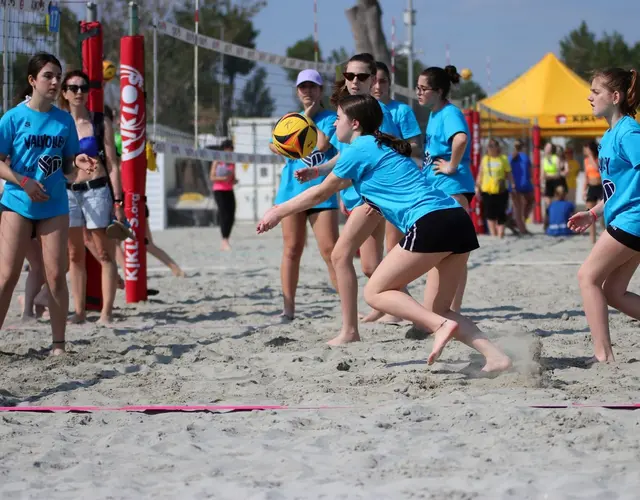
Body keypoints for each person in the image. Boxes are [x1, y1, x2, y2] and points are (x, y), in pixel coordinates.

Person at [258, 94, 512, 373]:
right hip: (457, 220)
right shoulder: (380, 146)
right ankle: (496, 356)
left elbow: (320, 192)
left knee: (375, 292)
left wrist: (277, 211)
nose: (334, 125)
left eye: (339, 119)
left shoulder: (360, 148)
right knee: (439, 309)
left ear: (355, 124)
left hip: (431, 221)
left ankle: (439, 327)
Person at [294, 53, 403, 333]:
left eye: (361, 76)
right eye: (349, 75)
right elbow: (342, 157)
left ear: (373, 80)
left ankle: (360, 325)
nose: (354, 81)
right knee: (369, 265)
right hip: (358, 196)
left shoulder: (378, 113)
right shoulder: (347, 110)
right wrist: (318, 170)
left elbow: (381, 157)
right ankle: (395, 309)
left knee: (347, 257)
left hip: (376, 198)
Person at [0, 52, 97, 355]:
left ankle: (58, 345)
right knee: (7, 275)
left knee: (56, 275)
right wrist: (23, 182)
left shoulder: (64, 121)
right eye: (48, 76)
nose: (55, 82)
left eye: (58, 76)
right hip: (18, 201)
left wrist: (77, 161)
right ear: (32, 81)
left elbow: (67, 166)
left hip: (54, 204)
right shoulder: (13, 118)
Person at [568, 67, 640, 364]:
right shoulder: (610, 135)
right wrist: (594, 212)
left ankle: (603, 355)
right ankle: (604, 354)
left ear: (615, 96)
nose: (589, 97)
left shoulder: (629, 131)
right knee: (613, 291)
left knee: (587, 277)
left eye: (595, 92)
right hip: (623, 218)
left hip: (633, 220)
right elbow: (620, 189)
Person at [268, 69, 340, 321]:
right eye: (303, 87)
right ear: (297, 91)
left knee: (331, 250)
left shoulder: (332, 118)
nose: (307, 91)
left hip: (321, 192)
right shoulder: (291, 119)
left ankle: (346, 306)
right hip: (290, 192)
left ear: (321, 91)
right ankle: (288, 309)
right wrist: (302, 117)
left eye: (313, 87)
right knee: (292, 249)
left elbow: (321, 145)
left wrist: (307, 118)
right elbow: (275, 145)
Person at [59, 69, 125, 325]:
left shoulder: (100, 122)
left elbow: (113, 164)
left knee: (105, 252)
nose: (79, 92)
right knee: (75, 255)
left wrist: (118, 202)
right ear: (64, 93)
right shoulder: (59, 123)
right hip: (68, 193)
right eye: (73, 88)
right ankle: (79, 312)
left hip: (97, 191)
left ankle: (106, 312)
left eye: (83, 88)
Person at [417, 66, 475, 312]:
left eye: (423, 88)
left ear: (439, 91)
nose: (418, 93)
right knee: (447, 253)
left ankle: (450, 310)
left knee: (452, 254)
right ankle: (445, 310)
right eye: (417, 88)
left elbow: (460, 138)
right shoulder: (435, 113)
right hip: (439, 187)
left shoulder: (450, 113)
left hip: (452, 187)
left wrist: (452, 165)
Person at [371, 61, 424, 291]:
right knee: (369, 263)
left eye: (382, 81)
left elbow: (417, 146)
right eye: (373, 80)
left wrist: (393, 147)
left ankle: (394, 306)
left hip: (397, 186)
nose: (377, 85)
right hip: (370, 188)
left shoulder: (401, 111)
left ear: (390, 84)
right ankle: (387, 303)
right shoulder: (360, 112)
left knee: (393, 249)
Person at [476, 138, 515, 238]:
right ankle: (493, 234)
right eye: (489, 146)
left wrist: (512, 184)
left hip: (501, 190)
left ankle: (500, 234)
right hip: (487, 190)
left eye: (493, 145)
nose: (491, 148)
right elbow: (480, 174)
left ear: (498, 147)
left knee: (501, 212)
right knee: (490, 213)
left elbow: (508, 173)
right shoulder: (485, 159)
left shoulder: (503, 159)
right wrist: (477, 186)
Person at [210, 139, 237, 251]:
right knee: (224, 214)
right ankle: (224, 240)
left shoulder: (232, 162)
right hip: (219, 190)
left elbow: (233, 178)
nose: (229, 151)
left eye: (231, 150)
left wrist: (234, 180)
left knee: (231, 214)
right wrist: (223, 178)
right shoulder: (217, 160)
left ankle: (226, 239)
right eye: (228, 149)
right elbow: (212, 177)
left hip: (229, 189)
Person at [509, 139, 534, 235]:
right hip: (521, 184)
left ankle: (517, 222)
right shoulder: (518, 157)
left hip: (520, 184)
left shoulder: (513, 157)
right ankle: (522, 229)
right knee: (520, 207)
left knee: (521, 206)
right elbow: (530, 171)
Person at [583, 140, 604, 244]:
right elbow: (586, 176)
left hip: (600, 186)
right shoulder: (586, 160)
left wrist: (591, 157)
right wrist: (584, 190)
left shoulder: (598, 158)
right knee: (590, 213)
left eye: (586, 148)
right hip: (591, 187)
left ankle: (606, 233)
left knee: (604, 214)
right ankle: (593, 239)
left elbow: (597, 169)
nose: (584, 150)